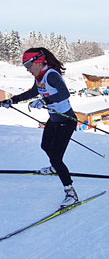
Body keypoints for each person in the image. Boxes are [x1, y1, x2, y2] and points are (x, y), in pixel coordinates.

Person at [0, 47, 78, 207]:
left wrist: (45, 101)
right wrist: (12, 100)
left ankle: (70, 192)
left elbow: (64, 93)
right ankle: (55, 168)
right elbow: (32, 92)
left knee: (56, 157)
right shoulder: (40, 77)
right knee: (45, 146)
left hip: (67, 120)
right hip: (55, 119)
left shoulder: (51, 75)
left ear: (38, 61)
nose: (27, 69)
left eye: (28, 65)